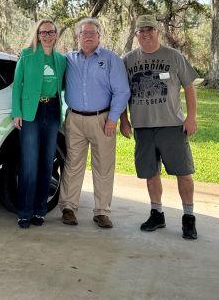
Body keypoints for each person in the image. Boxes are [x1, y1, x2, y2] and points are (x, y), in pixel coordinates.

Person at [119, 14, 199, 240]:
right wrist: (124, 120)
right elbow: (122, 93)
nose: (145, 34)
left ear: (157, 31)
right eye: (141, 31)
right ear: (135, 35)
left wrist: (191, 117)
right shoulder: (128, 60)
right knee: (150, 173)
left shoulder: (174, 56)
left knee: (183, 173)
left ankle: (189, 218)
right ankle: (157, 213)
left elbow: (190, 88)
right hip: (143, 128)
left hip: (172, 126)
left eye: (149, 30)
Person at [59, 18, 130, 229]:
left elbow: (122, 91)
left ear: (99, 36)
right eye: (84, 33)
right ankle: (69, 208)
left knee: (103, 166)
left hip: (103, 119)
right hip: (75, 119)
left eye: (92, 33)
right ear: (78, 36)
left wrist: (113, 118)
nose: (88, 36)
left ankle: (101, 212)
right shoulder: (68, 59)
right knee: (72, 164)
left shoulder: (111, 59)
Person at [11, 19, 68, 229]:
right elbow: (17, 85)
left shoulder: (61, 60)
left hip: (52, 111)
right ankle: (24, 211)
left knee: (46, 163)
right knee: (29, 163)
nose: (46, 35)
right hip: (30, 113)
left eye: (50, 32)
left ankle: (39, 210)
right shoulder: (27, 55)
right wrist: (17, 112)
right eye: (42, 32)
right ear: (37, 34)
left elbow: (64, 87)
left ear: (56, 34)